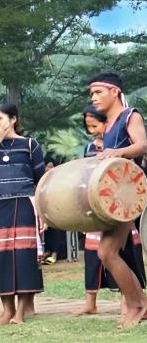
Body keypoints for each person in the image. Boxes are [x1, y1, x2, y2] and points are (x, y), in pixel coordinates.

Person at [87, 72, 147, 328]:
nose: (93, 98)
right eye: (91, 94)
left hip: (130, 192)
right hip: (113, 194)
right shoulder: (109, 123)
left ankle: (136, 304)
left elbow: (142, 146)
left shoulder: (130, 115)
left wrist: (117, 151)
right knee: (119, 252)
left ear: (114, 91)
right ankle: (145, 306)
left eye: (98, 92)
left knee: (107, 251)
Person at [75, 105, 145, 317]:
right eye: (88, 126)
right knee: (96, 254)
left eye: (95, 124)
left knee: (123, 253)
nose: (92, 129)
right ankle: (91, 302)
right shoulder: (89, 149)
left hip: (119, 203)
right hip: (94, 207)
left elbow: (138, 157)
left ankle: (130, 302)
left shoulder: (120, 140)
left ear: (107, 123)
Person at [0, 103, 45, 325]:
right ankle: (6, 310)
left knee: (24, 255)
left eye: (0, 119)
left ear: (13, 119)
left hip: (25, 203)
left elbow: (40, 180)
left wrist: (43, 212)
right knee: (2, 256)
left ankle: (21, 312)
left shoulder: (29, 145)